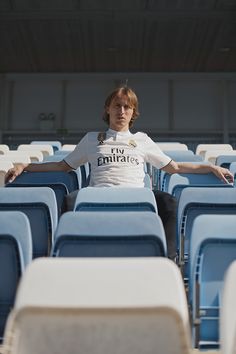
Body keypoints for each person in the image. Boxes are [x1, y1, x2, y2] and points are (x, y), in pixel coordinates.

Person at [5, 86, 234, 260]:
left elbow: (174, 167)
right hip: (97, 196)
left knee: (169, 202)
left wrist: (210, 167)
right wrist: (24, 166)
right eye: (117, 105)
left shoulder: (141, 140)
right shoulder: (92, 139)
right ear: (108, 109)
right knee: (68, 200)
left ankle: (167, 261)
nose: (121, 111)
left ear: (133, 112)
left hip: (136, 196)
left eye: (127, 107)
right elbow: (62, 167)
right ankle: (69, 255)